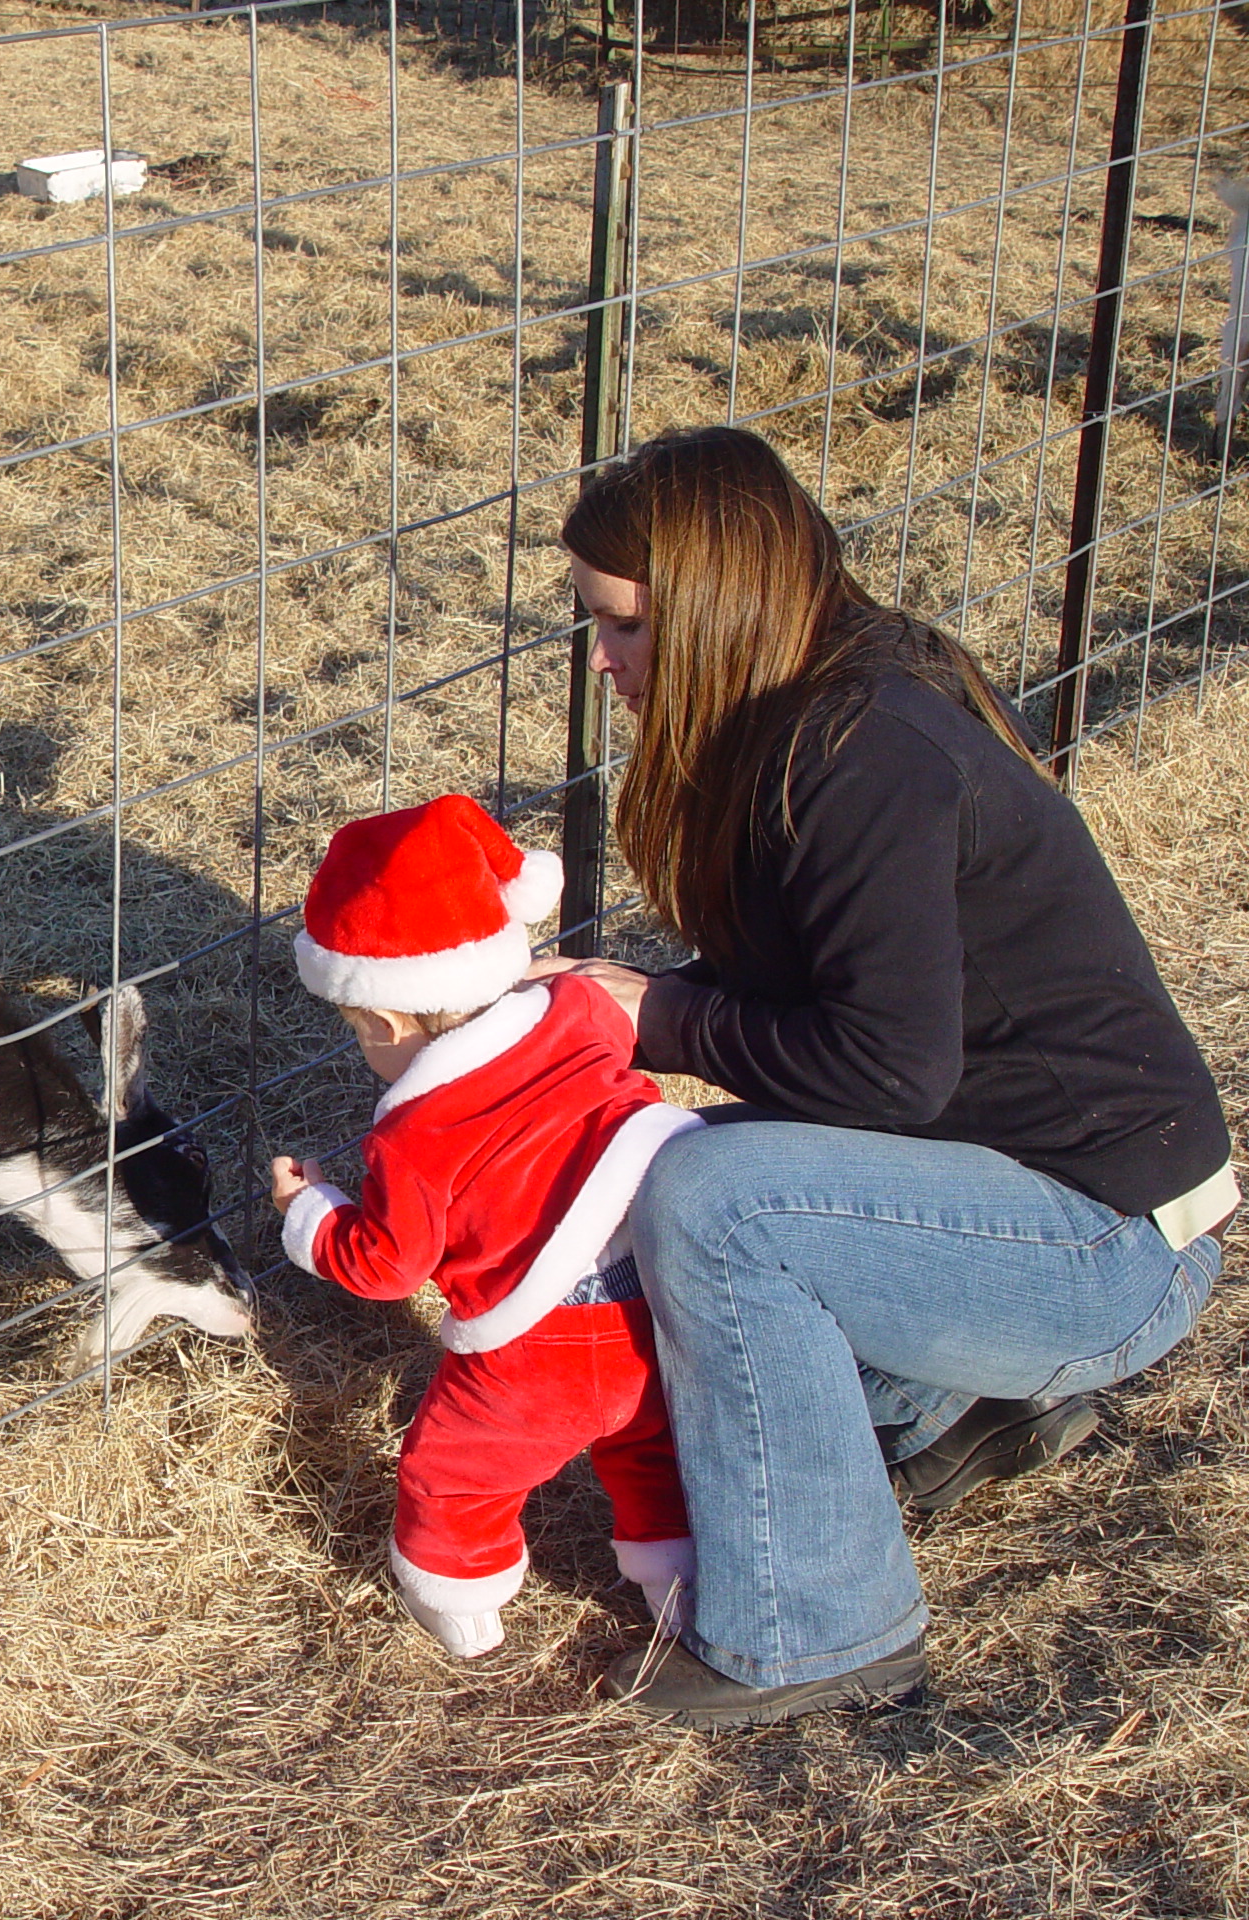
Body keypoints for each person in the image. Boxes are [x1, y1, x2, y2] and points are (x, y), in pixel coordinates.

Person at [532, 425, 1236, 1728]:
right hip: (1044, 1189)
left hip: (1109, 1239)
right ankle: (947, 1416)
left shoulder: (861, 754)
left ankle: (818, 1630)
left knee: (712, 1201)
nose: (605, 659)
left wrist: (666, 1017)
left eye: (621, 626)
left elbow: (888, 1069)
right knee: (715, 1368)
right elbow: (843, 1006)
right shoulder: (832, 699)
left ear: (713, 611)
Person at [269, 793, 703, 1659]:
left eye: (361, 1032)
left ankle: (462, 1603)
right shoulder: (581, 1014)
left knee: (456, 1475)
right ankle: (675, 1584)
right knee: (652, 1450)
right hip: (646, 1312)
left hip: (527, 1353)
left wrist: (312, 1212)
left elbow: (389, 1268)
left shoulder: (415, 1136)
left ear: (387, 1019)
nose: (367, 1050)